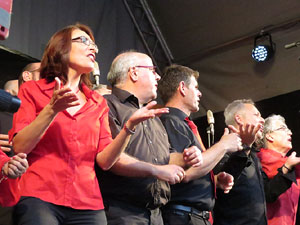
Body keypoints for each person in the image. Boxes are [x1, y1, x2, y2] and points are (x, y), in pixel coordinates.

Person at [9, 24, 167, 225]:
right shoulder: (33, 90)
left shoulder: (98, 102)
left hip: (88, 203)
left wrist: (129, 127)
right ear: (60, 47)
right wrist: (51, 110)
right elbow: (20, 146)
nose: (93, 48)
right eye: (83, 41)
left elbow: (105, 161)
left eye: (94, 44)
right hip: (40, 195)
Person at [97, 51, 198, 225]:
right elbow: (111, 157)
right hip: (121, 213)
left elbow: (166, 158)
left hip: (156, 215)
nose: (158, 77)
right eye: (152, 70)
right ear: (134, 72)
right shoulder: (107, 105)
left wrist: (186, 157)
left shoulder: (154, 117)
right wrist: (157, 170)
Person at [157, 64, 243, 225]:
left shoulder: (184, 124)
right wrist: (223, 145)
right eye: (195, 87)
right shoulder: (170, 121)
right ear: (182, 88)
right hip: (182, 216)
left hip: (193, 216)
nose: (200, 93)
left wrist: (213, 180)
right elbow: (185, 172)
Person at [213, 99, 296, 225]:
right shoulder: (222, 149)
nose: (262, 120)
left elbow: (268, 193)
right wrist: (245, 146)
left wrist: (287, 168)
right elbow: (222, 184)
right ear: (239, 119)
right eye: (256, 115)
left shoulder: (254, 157)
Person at [256, 114, 300, 225]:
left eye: (289, 129)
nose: (290, 132)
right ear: (269, 136)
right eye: (283, 128)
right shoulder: (259, 161)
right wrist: (288, 166)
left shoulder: (292, 165)